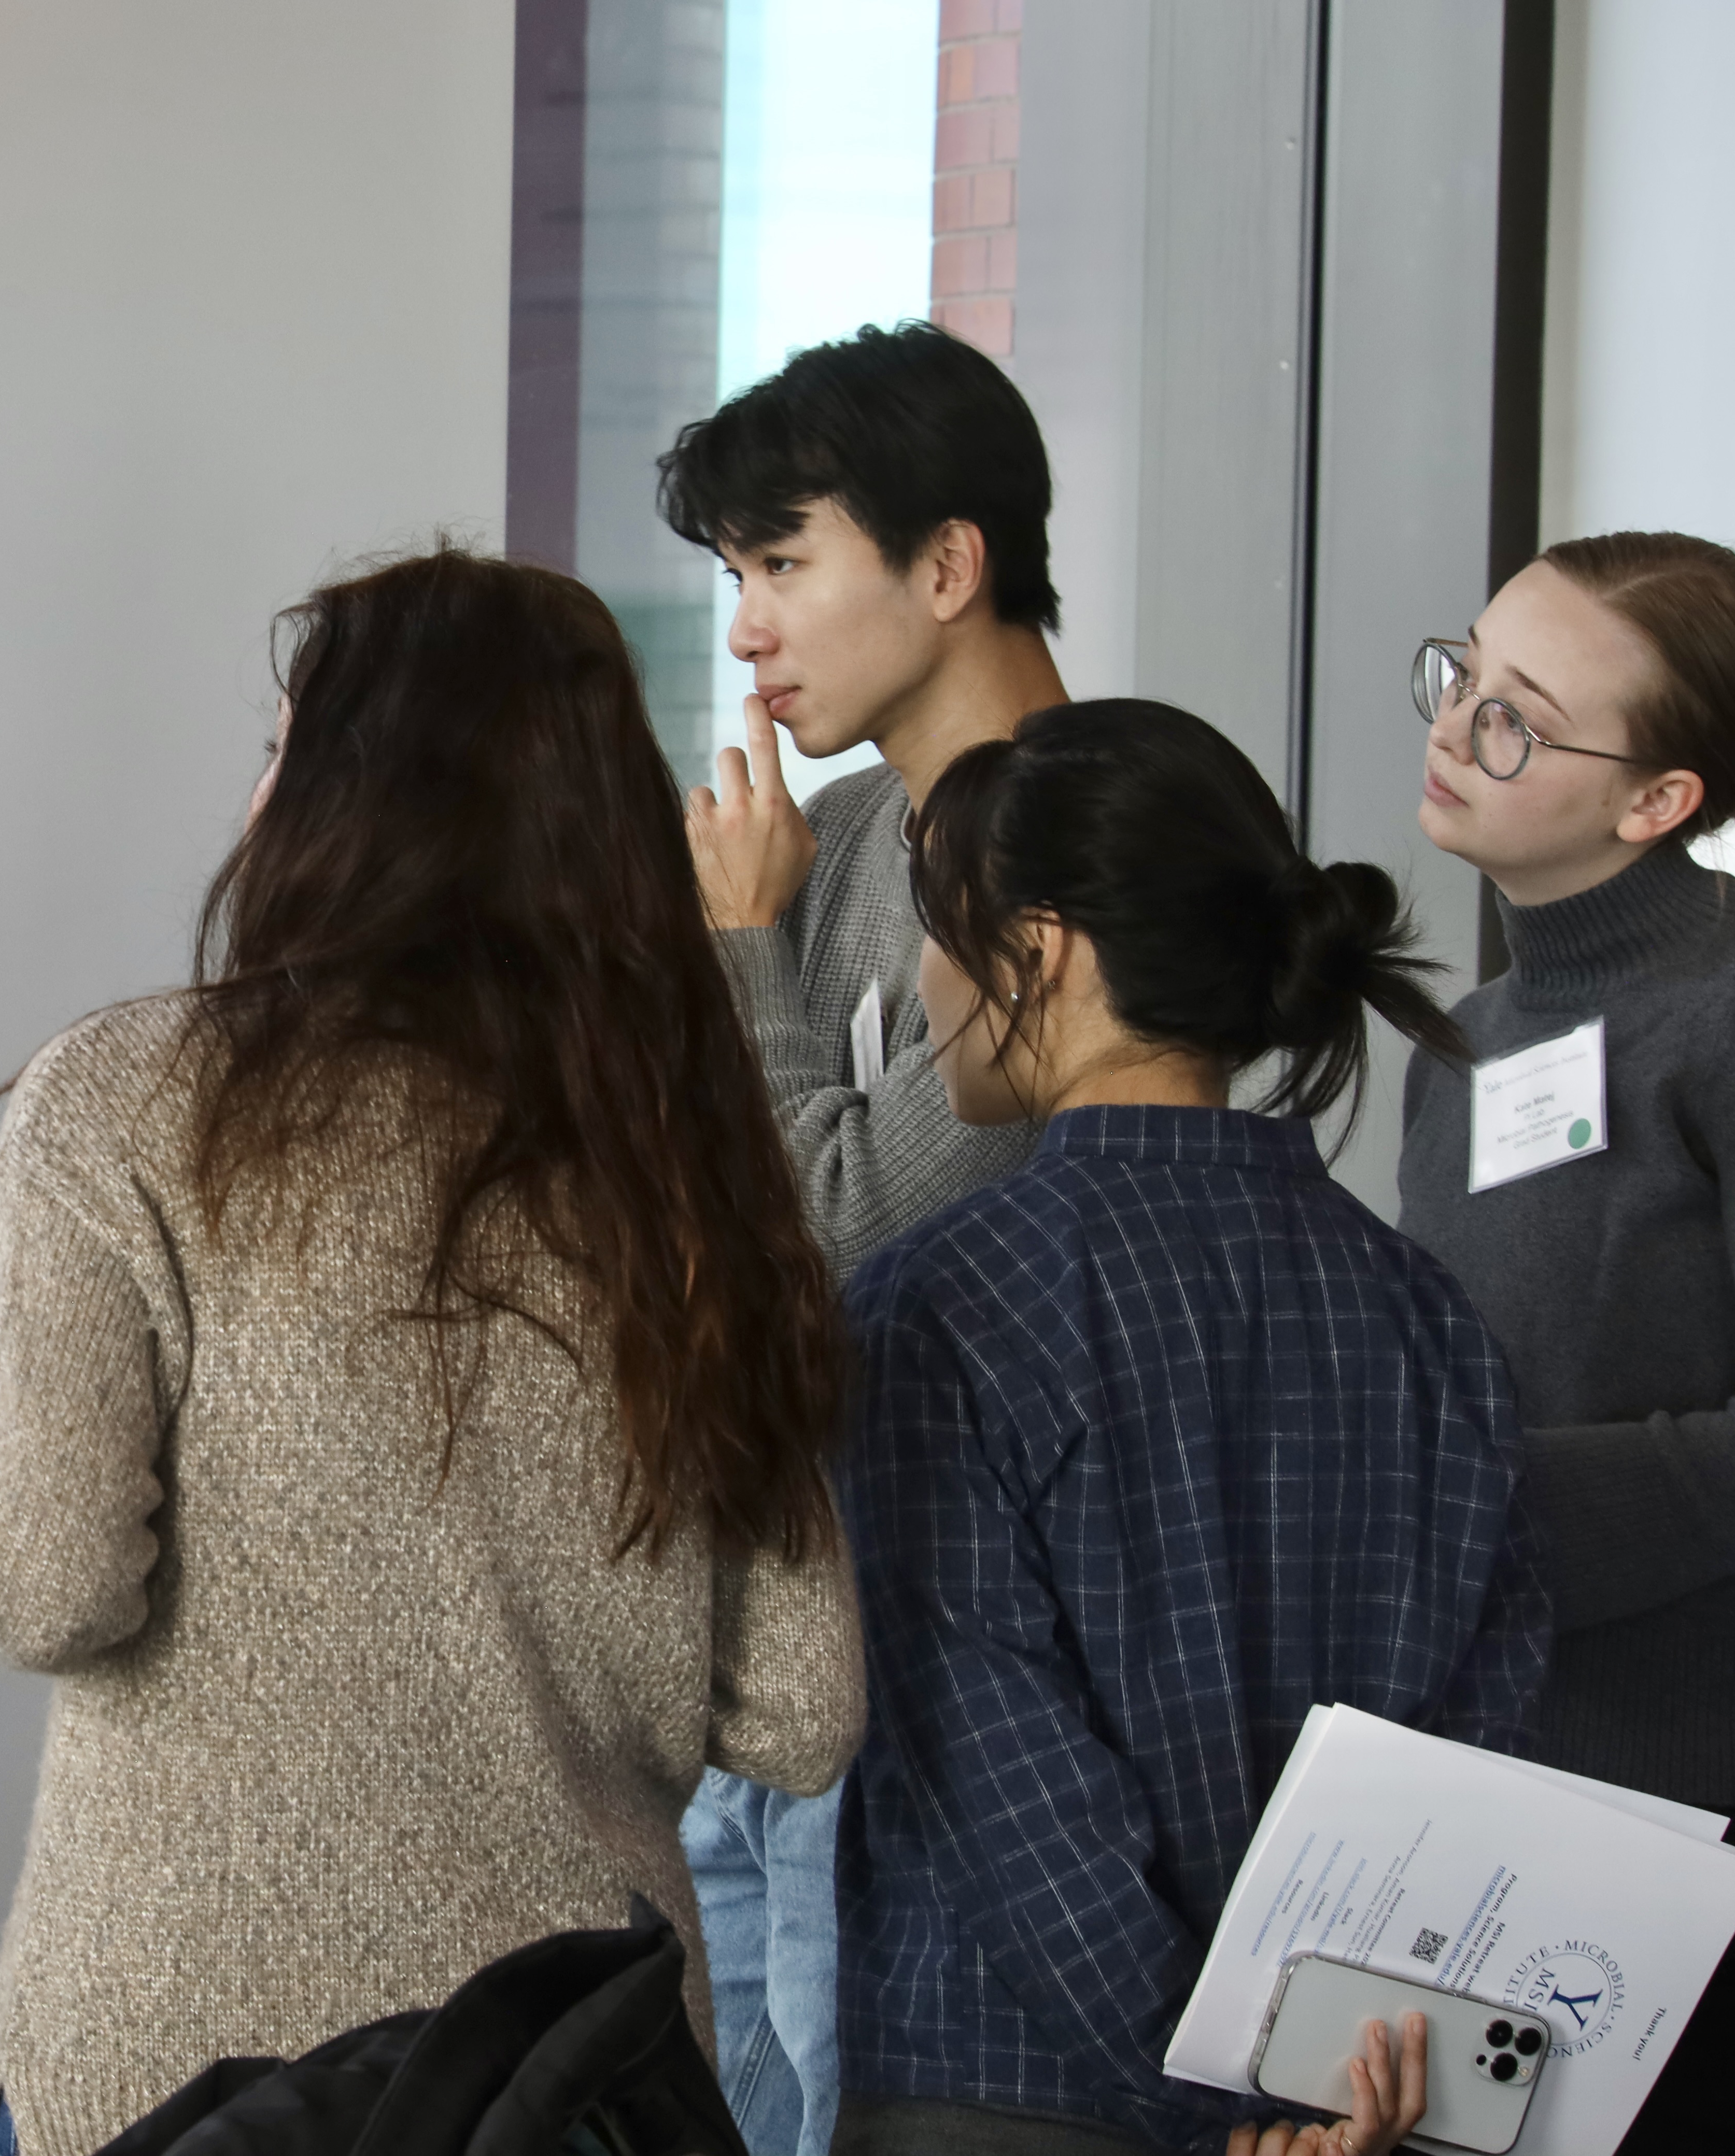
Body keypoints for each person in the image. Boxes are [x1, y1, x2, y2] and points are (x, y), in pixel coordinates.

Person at [0, 549, 866, 2156]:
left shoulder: (126, 1105)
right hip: (567, 2093)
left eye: (286, 744)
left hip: (175, 2074)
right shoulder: (694, 1165)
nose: (258, 787)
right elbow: (799, 1708)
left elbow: (55, 1581)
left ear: (354, 799)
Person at [833, 701, 1550, 2153]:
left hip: (1005, 2097)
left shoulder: (937, 1304)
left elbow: (1006, 1788)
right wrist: (1308, 2086)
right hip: (1361, 2111)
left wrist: (1207, 2097)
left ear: (1040, 953)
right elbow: (1483, 1749)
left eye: (939, 930)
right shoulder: (1423, 1310)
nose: (924, 982)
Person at [652, 319, 1071, 2155]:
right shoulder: (835, 839)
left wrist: (749, 960)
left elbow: (839, 1232)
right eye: (737, 576)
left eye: (782, 564)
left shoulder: (1070, 841)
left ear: (948, 564)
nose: (747, 631)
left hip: (965, 1640)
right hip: (786, 1601)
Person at [1395, 532, 1735, 2154]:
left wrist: (1471, 1501)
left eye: (1518, 716)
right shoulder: (1465, 1043)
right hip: (1507, 1792)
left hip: (1727, 1819)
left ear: (1658, 800)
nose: (1456, 726)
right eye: (1465, 672)